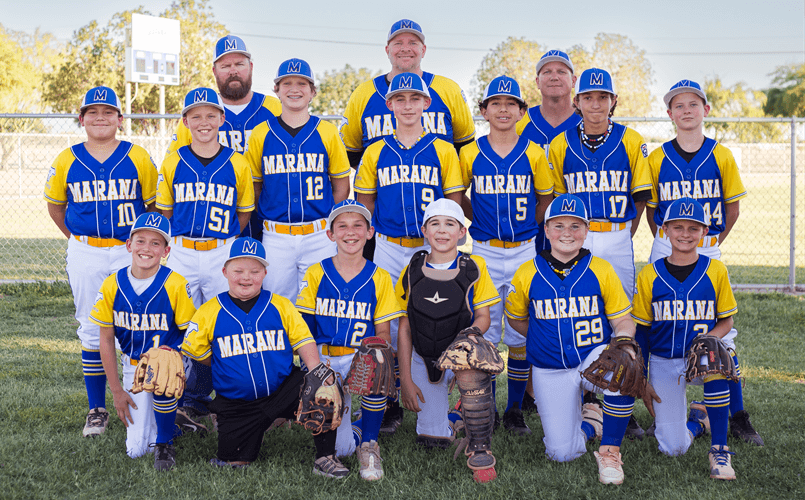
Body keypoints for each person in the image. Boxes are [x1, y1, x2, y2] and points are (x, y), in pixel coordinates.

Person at [644, 80, 761, 446]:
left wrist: (711, 242)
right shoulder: (658, 156)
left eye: (693, 104)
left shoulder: (721, 155)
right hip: (666, 244)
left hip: (706, 244)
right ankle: (669, 401)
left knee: (722, 336)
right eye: (679, 105)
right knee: (659, 318)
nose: (686, 110)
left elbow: (733, 206)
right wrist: (667, 242)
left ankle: (737, 415)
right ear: (670, 114)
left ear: (705, 110)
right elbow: (651, 209)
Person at [354, 72, 465, 433]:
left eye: (414, 98)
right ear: (389, 105)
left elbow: (453, 203)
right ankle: (386, 400)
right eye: (399, 99)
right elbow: (365, 203)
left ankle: (436, 394)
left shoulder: (443, 149)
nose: (407, 105)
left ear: (426, 104)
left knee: (431, 319)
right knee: (384, 321)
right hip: (387, 244)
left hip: (427, 246)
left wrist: (442, 241)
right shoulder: (375, 150)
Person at [181, 237, 348, 477]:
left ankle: (325, 457)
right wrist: (227, 367)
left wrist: (317, 374)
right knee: (233, 462)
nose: (246, 277)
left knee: (322, 385)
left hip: (283, 391)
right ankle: (249, 429)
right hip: (237, 404)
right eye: (238, 271)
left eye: (254, 271)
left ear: (265, 273)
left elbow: (304, 340)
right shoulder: (209, 311)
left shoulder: (280, 305)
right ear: (225, 271)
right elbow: (198, 354)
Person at [44, 86, 158, 437]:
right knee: (92, 328)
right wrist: (81, 241)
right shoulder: (66, 158)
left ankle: (147, 400)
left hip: (130, 250)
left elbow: (152, 206)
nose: (100, 118)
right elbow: (56, 207)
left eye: (108, 112)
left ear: (120, 120)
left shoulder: (138, 156)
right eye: (92, 112)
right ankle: (97, 409)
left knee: (141, 322)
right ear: (81, 120)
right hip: (86, 250)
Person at [505, 194, 638, 485]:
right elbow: (516, 318)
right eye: (559, 225)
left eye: (575, 226)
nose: (567, 233)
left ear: (586, 231)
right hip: (550, 367)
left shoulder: (602, 269)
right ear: (547, 230)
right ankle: (592, 423)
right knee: (562, 453)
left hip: (593, 358)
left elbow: (622, 319)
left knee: (624, 362)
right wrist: (544, 335)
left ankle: (610, 450)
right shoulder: (526, 272)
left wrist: (625, 341)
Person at [459, 75, 553, 435]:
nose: (502, 109)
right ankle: (484, 407)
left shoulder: (533, 152)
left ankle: (514, 408)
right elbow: (458, 198)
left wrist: (528, 224)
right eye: (495, 103)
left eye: (510, 104)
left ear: (521, 111)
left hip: (523, 250)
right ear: (483, 111)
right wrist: (478, 216)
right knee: (484, 329)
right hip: (483, 249)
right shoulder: (470, 152)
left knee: (518, 333)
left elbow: (545, 200)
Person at [157, 87, 255, 424]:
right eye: (196, 115)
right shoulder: (172, 161)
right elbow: (165, 212)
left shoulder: (238, 162)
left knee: (224, 325)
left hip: (221, 251)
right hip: (183, 250)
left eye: (211, 115)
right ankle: (188, 400)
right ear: (185, 121)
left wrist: (224, 242)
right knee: (183, 326)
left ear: (222, 119)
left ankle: (227, 400)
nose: (204, 122)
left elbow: (242, 215)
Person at [295, 199, 405, 480]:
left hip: (360, 357)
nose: (350, 232)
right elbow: (304, 329)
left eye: (358, 225)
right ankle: (353, 430)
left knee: (380, 358)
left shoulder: (379, 276)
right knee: (342, 449)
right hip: (326, 358)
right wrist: (315, 367)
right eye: (342, 226)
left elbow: (383, 330)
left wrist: (376, 352)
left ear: (370, 232)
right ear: (330, 234)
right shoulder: (316, 272)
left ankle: (369, 442)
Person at [632, 197, 739, 480]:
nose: (685, 234)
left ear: (704, 232)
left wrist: (706, 340)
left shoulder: (716, 270)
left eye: (693, 228)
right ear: (664, 229)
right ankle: (696, 424)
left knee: (714, 355)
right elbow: (641, 329)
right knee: (673, 448)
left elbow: (726, 321)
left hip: (700, 356)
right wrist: (642, 378)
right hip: (664, 359)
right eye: (677, 227)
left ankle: (719, 448)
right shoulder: (649, 275)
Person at [396, 198, 501, 483]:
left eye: (450, 224)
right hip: (424, 353)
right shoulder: (413, 268)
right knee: (432, 438)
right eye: (435, 224)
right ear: (425, 230)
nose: (442, 231)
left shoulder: (473, 267)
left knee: (471, 360)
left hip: (461, 353)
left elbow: (483, 317)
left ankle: (479, 439)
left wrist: (463, 345)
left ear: (462, 232)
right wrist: (405, 378)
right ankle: (456, 417)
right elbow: (405, 326)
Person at [90, 213, 196, 470]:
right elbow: (105, 340)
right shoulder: (112, 284)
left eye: (155, 243)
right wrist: (117, 392)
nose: (146, 248)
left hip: (170, 364)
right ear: (129, 245)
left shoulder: (175, 284)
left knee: (162, 365)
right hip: (132, 366)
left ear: (166, 250)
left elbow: (189, 333)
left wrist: (173, 356)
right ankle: (172, 422)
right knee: (136, 450)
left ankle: (165, 442)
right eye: (140, 241)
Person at [245, 58, 351, 301]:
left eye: (302, 83)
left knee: (322, 301)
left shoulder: (327, 131)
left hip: (319, 233)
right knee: (278, 302)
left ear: (313, 92)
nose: (294, 89)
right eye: (287, 83)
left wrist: (325, 216)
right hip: (276, 235)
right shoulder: (261, 132)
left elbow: (341, 185)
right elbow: (256, 187)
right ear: (277, 91)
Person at [515, 50, 582, 415]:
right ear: (537, 81)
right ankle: (528, 392)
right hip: (533, 232)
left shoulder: (586, 121)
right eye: (546, 71)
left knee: (582, 308)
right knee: (534, 310)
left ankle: (590, 393)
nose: (554, 76)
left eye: (562, 71)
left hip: (581, 232)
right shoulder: (522, 125)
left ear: (573, 80)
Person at [167, 34, 280, 239]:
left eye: (239, 63)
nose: (233, 70)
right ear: (214, 71)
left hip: (270, 215)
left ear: (251, 67)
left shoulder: (275, 108)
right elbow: (173, 169)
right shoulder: (198, 114)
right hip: (215, 213)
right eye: (225, 65)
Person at [340, 19, 475, 168]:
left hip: (437, 189)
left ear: (423, 50)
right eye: (398, 43)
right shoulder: (363, 93)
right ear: (387, 50)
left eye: (413, 43)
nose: (405, 48)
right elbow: (350, 152)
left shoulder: (449, 89)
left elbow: (466, 147)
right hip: (383, 188)